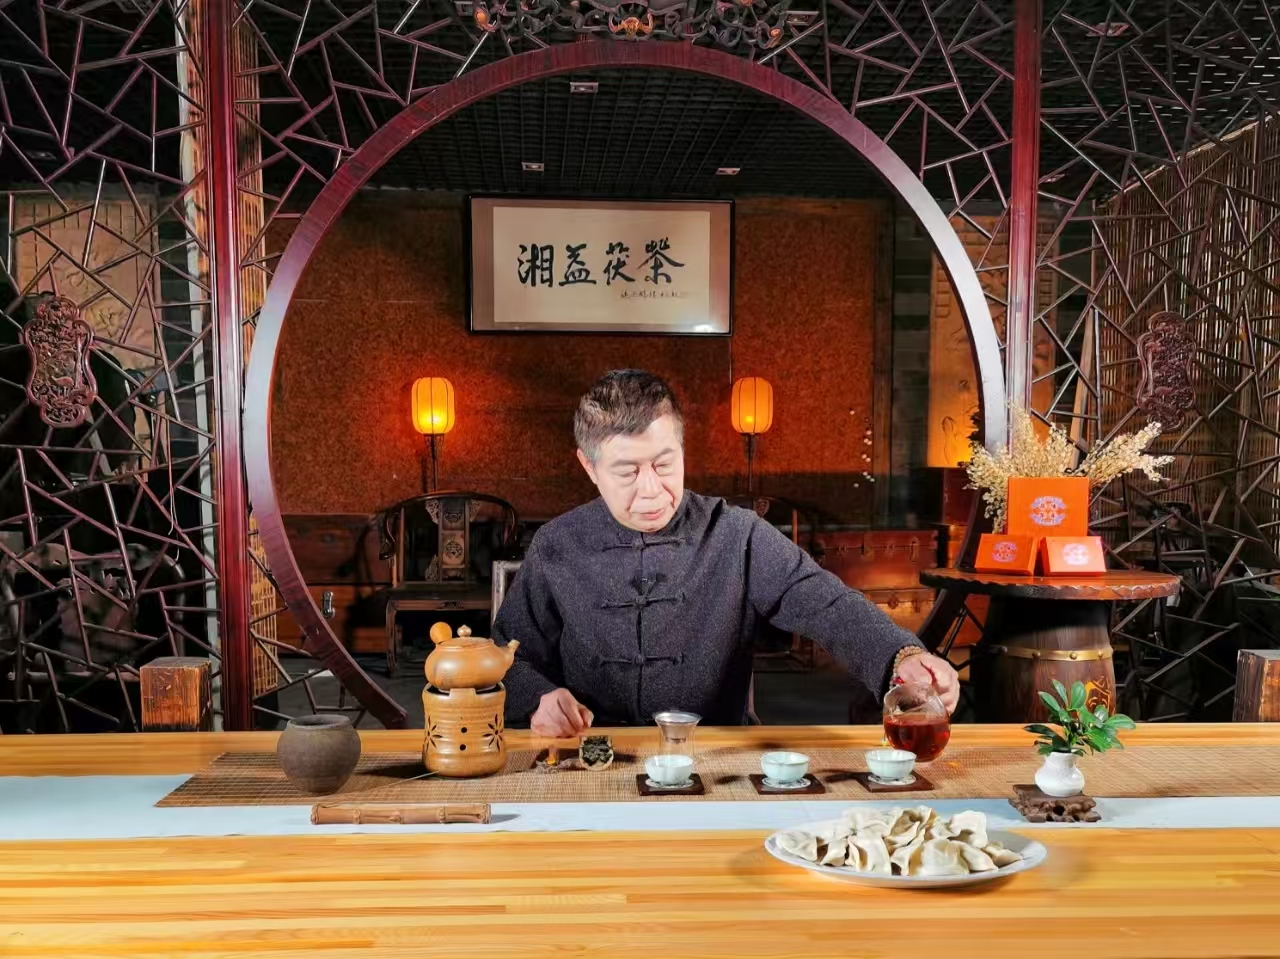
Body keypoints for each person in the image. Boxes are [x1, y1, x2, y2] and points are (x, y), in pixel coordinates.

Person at [492, 370, 959, 737]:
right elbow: (505, 657)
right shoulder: (557, 544)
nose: (651, 490)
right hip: (592, 756)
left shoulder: (736, 534)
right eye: (627, 472)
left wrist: (900, 658)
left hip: (714, 758)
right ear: (589, 466)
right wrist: (538, 699)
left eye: (664, 464)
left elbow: (828, 605)